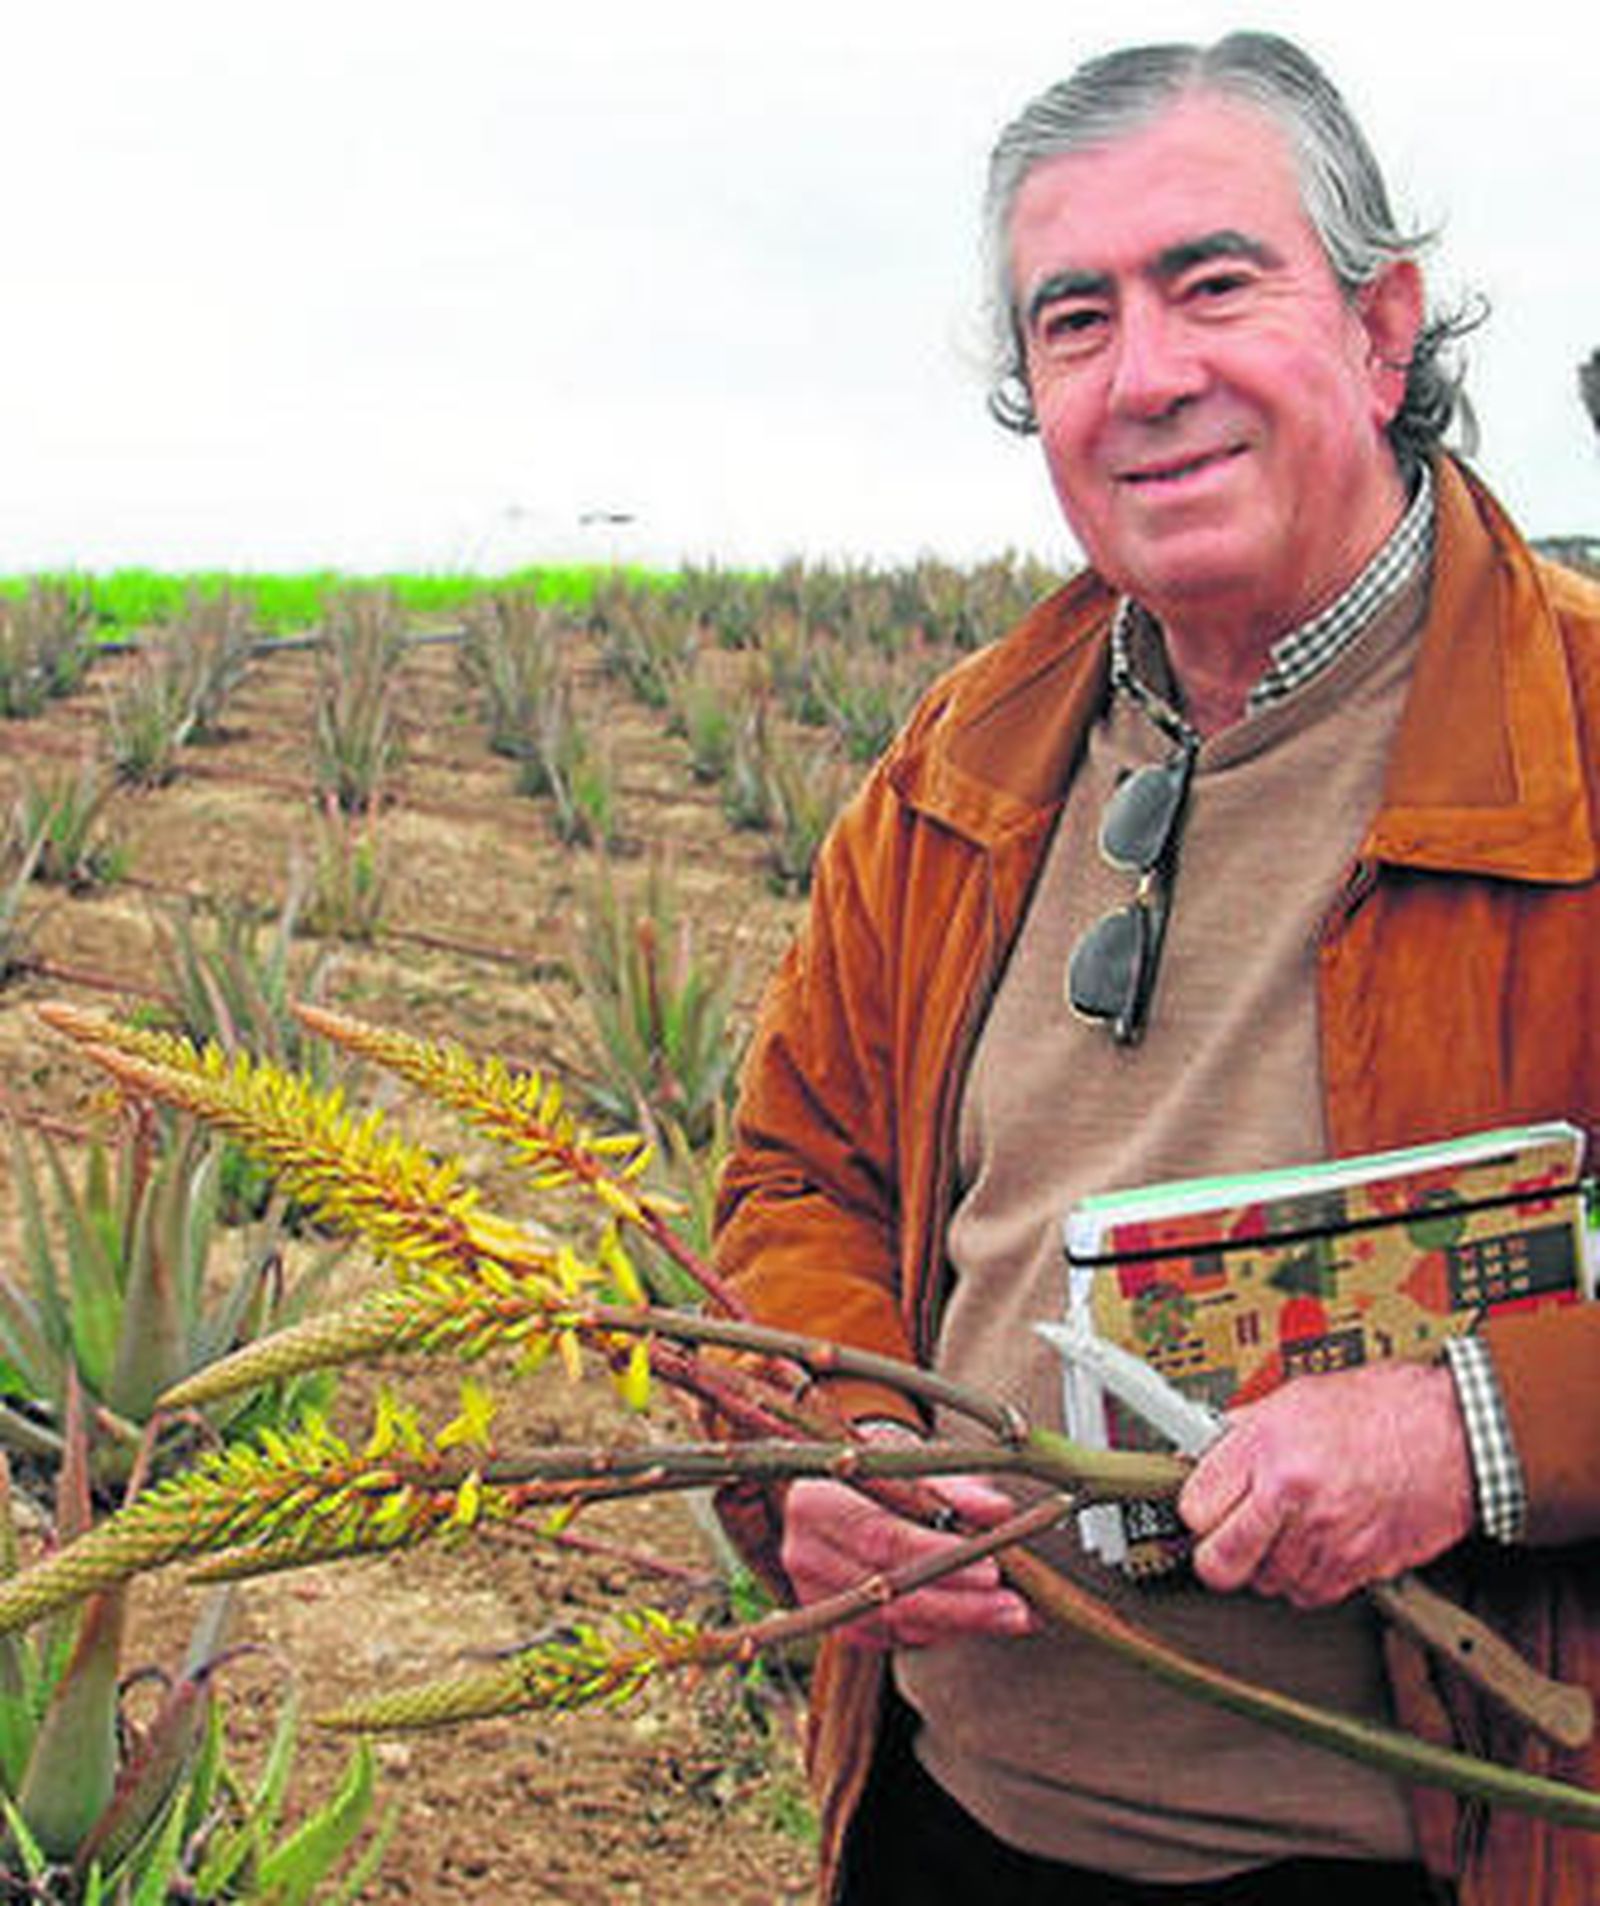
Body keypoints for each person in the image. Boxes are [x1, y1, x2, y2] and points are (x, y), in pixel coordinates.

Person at [711, 29, 1600, 1906]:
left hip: (1429, 1856)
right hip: (951, 1823)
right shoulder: (962, 760)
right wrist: (830, 1443)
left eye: (1213, 285)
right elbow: (803, 1174)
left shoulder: (1584, 732)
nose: (1148, 375)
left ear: (1382, 327)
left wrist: (1477, 1430)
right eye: (1076, 320)